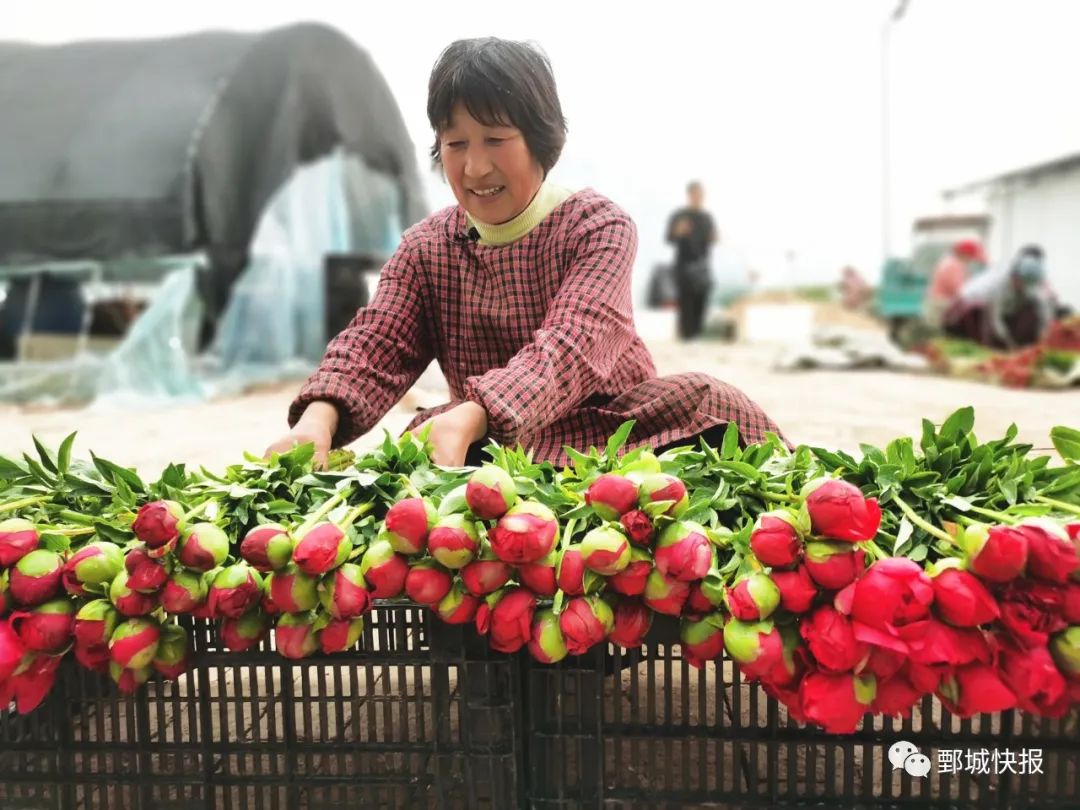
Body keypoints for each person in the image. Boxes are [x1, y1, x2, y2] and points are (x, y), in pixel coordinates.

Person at [265, 38, 783, 469]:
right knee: (420, 449)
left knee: (710, 402)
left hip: (617, 432)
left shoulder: (596, 226)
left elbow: (571, 346)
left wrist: (477, 410)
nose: (474, 169)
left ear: (540, 140)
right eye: (456, 144)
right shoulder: (426, 249)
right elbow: (376, 343)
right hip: (493, 444)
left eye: (495, 139)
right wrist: (319, 419)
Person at [944, 245, 1056, 350]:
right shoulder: (998, 284)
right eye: (1021, 281)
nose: (1023, 286)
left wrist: (1045, 334)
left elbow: (1043, 307)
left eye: (1026, 284)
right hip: (969, 307)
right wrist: (1008, 343)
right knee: (987, 332)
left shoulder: (1030, 282)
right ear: (1014, 275)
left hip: (999, 308)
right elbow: (995, 319)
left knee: (1029, 310)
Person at [665, 182, 718, 340]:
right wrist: (678, 231)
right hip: (683, 264)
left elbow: (711, 240)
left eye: (701, 194)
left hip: (702, 265)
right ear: (689, 195)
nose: (698, 197)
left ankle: (696, 335)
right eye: (695, 194)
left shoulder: (707, 218)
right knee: (686, 301)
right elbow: (669, 238)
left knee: (702, 299)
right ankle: (687, 336)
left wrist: (713, 238)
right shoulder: (679, 215)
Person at [923, 239, 986, 329]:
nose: (971, 260)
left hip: (936, 303)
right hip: (941, 305)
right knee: (941, 335)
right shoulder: (955, 265)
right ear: (965, 254)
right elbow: (960, 290)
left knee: (938, 334)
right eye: (971, 257)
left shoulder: (949, 261)